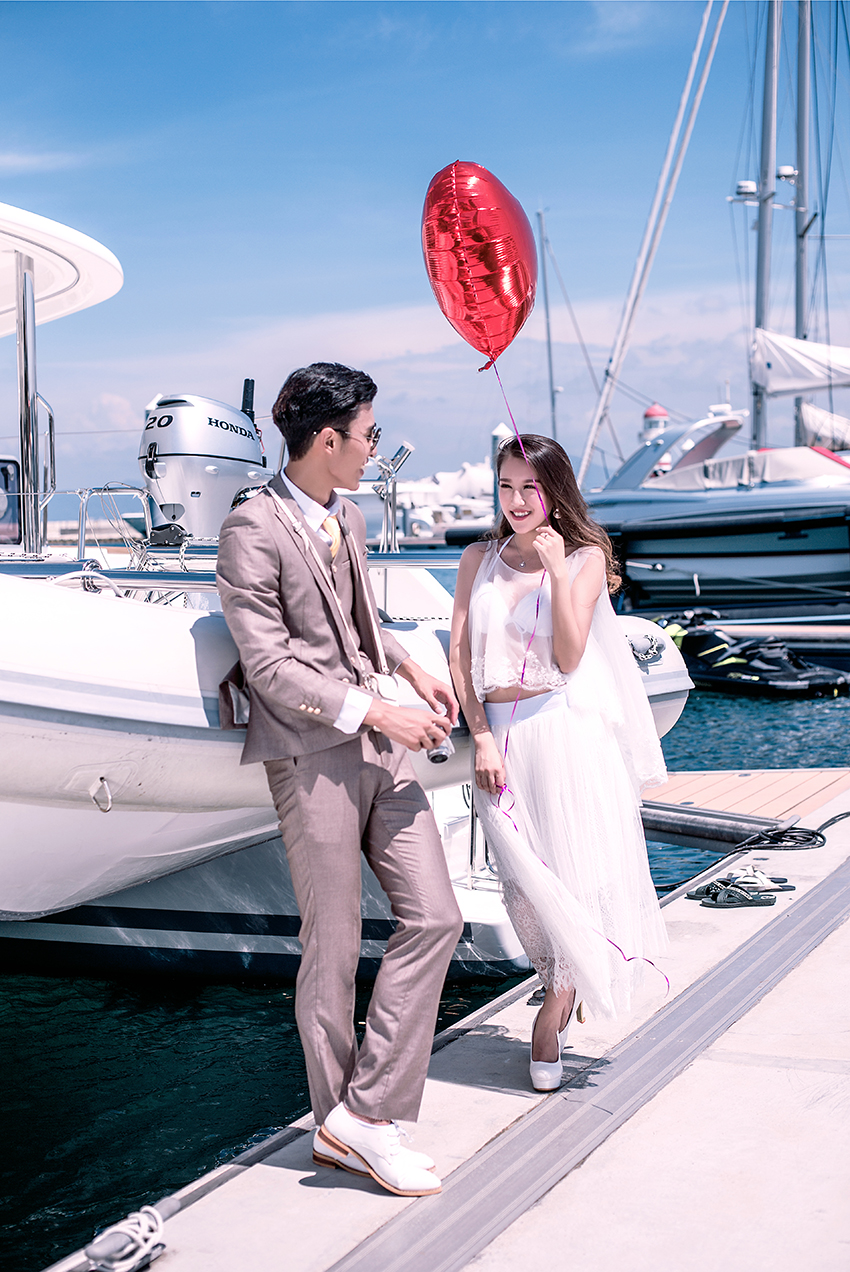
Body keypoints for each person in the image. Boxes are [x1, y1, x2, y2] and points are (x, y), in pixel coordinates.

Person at [217, 362, 463, 1197]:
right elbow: (268, 667)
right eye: (368, 436)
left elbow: (360, 622)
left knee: (437, 915)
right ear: (328, 440)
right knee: (332, 948)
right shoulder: (251, 527)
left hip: (378, 742)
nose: (374, 449)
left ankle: (362, 1113)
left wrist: (409, 665)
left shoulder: (348, 515)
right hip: (309, 753)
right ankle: (350, 1131)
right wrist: (379, 710)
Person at [449, 434, 668, 1092]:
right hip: (500, 736)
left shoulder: (584, 557)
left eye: (530, 488)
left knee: (573, 874)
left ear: (555, 491)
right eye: (506, 486)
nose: (516, 500)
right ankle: (559, 979)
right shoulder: (477, 557)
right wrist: (480, 736)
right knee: (521, 884)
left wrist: (555, 570)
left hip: (561, 731)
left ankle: (557, 1001)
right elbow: (460, 656)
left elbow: (570, 658)